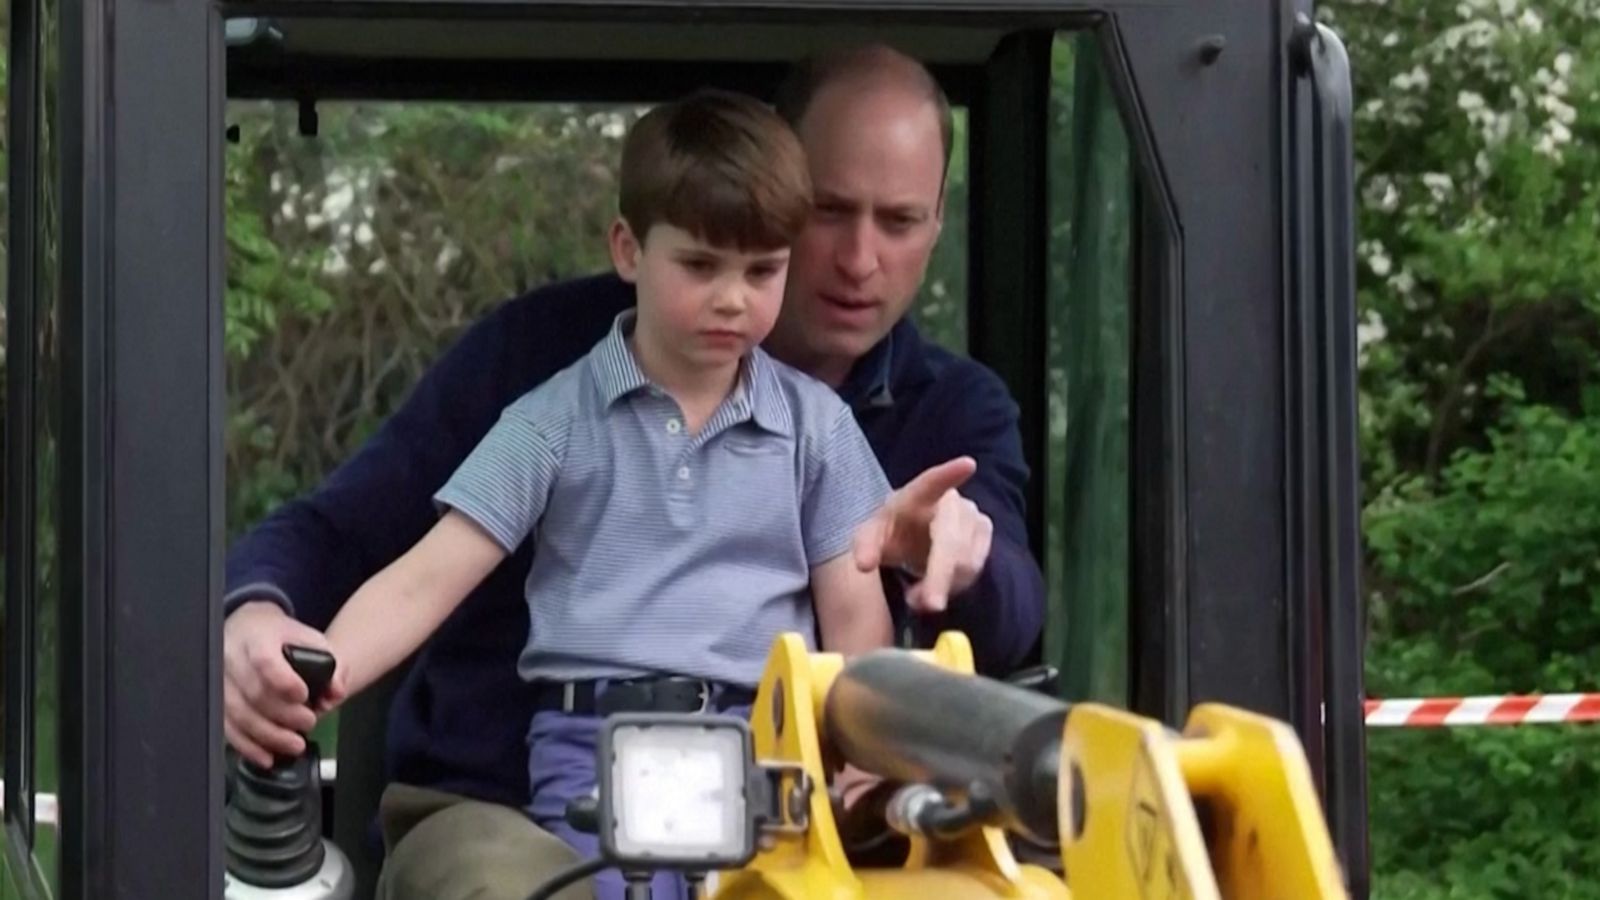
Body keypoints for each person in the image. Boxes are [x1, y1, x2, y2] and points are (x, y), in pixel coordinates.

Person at [222, 44, 1047, 899]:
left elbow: (872, 624)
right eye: (832, 212)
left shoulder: (843, 427)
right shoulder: (544, 395)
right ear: (632, 250)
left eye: (900, 220)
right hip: (545, 784)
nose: (859, 258)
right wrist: (294, 654)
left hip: (770, 776)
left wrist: (889, 715)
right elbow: (410, 567)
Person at [308, 89, 893, 900]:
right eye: (700, 265)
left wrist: (866, 759)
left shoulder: (818, 429)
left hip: (764, 749)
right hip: (593, 744)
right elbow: (427, 577)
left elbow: (856, 618)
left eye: (762, 271)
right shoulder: (553, 419)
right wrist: (321, 675)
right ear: (628, 250)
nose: (733, 297)